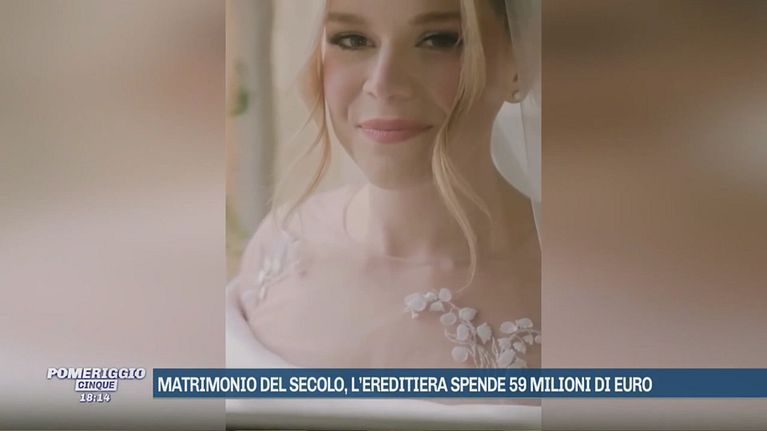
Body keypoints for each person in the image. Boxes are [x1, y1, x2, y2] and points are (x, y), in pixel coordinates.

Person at [228, 0, 540, 371]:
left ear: (521, 62)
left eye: (439, 40)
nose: (383, 84)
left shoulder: (583, 288)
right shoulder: (278, 244)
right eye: (352, 39)